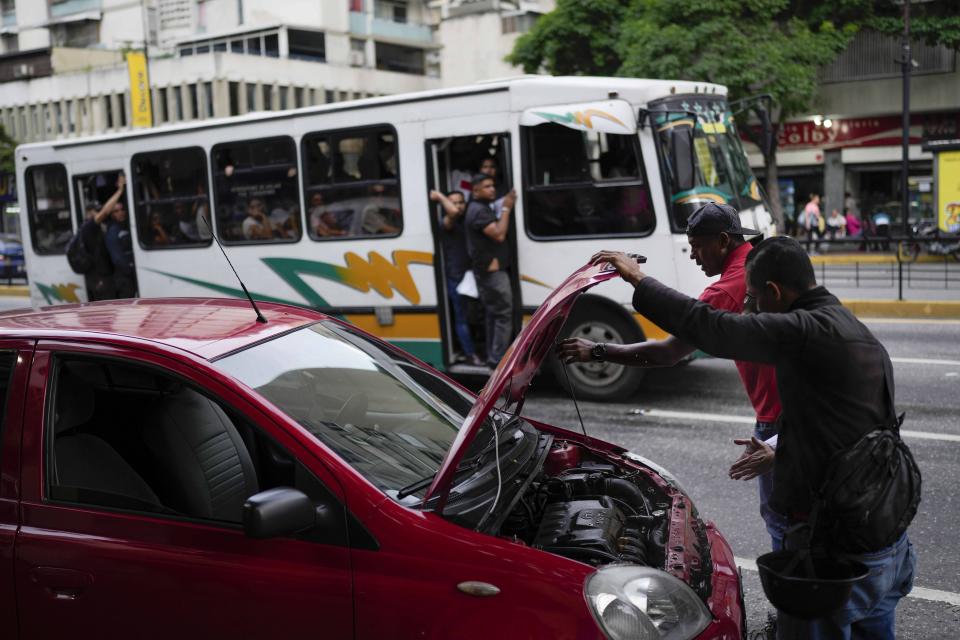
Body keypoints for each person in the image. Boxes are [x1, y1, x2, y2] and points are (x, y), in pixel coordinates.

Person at [590, 237, 915, 640]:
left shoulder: (805, 330)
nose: (751, 308)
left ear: (775, 292)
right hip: (886, 542)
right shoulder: (848, 328)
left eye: (755, 299)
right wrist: (781, 447)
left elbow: (712, 327)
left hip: (838, 560)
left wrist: (638, 279)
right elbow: (853, 426)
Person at [558, 202, 786, 550]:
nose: (694, 256)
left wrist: (599, 350)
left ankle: (797, 600)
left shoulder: (727, 290)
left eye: (697, 245)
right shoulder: (758, 263)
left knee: (782, 519)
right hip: (796, 410)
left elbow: (668, 352)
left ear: (723, 240)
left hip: (780, 422)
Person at [465, 174, 517, 367]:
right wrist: (506, 208)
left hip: (486, 271)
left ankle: (492, 356)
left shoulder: (478, 207)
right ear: (475, 191)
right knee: (503, 314)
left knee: (493, 314)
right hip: (492, 273)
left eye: (493, 186)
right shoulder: (479, 211)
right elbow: (499, 234)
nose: (492, 189)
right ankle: (498, 360)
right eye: (487, 186)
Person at [431, 189, 483, 367]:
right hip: (457, 277)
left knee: (475, 316)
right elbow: (452, 212)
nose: (458, 206)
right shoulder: (446, 222)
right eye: (454, 202)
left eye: (461, 202)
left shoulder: (468, 221)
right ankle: (469, 354)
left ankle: (474, 349)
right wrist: (439, 196)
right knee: (462, 317)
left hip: (473, 275)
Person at [79, 175, 125, 301]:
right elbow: (105, 212)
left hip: (105, 278)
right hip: (100, 281)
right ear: (89, 213)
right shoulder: (88, 227)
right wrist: (120, 191)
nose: (98, 214)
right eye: (95, 211)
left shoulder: (97, 228)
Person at [103, 182, 137, 298]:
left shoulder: (127, 226)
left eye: (122, 209)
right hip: (124, 278)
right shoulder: (113, 231)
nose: (121, 213)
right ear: (112, 215)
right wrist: (131, 270)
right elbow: (117, 258)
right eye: (116, 211)